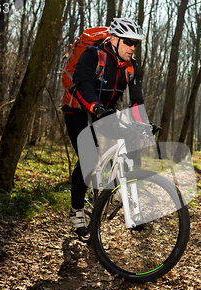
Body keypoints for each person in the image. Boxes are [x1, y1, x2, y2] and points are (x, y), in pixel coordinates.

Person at [62, 17, 145, 238]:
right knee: (88, 158)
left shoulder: (131, 67)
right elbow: (83, 85)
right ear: (115, 39)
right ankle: (77, 210)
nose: (132, 47)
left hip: (105, 111)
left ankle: (127, 201)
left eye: (136, 43)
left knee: (134, 138)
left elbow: (136, 100)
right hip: (78, 108)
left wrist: (143, 124)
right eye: (128, 42)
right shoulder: (92, 56)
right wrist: (96, 107)